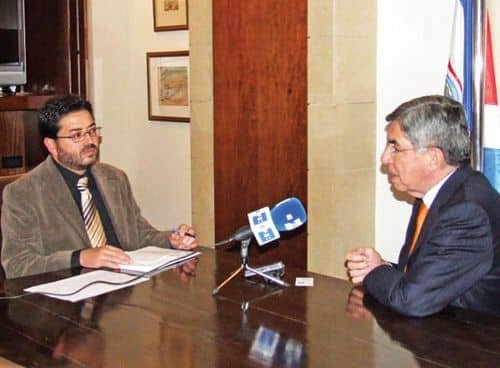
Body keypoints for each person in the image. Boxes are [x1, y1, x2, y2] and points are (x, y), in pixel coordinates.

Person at [1, 95, 198, 279]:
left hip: (125, 291)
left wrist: (172, 240)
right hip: (69, 303)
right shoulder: (23, 193)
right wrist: (80, 257)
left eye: (92, 131)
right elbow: (17, 265)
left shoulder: (114, 178)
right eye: (77, 135)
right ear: (52, 145)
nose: (89, 141)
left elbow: (139, 235)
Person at [345, 95, 500, 317]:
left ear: (433, 158)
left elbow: (412, 300)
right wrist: (382, 267)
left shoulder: (467, 211)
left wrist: (375, 271)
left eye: (395, 147)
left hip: (474, 343)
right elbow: (422, 274)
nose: (384, 158)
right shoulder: (436, 194)